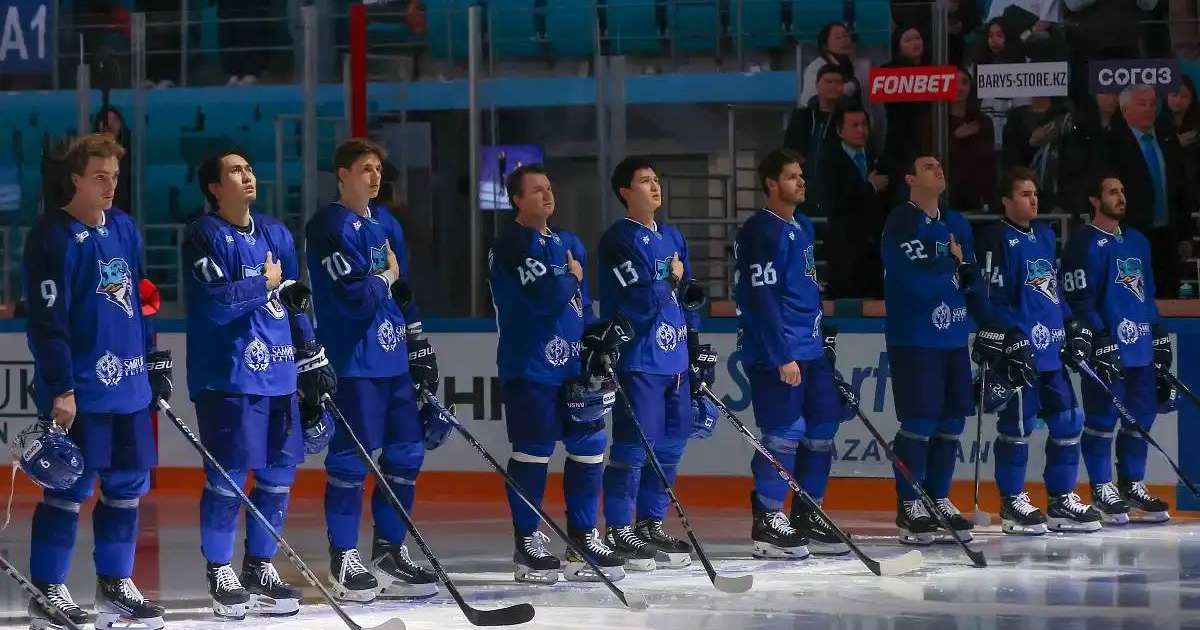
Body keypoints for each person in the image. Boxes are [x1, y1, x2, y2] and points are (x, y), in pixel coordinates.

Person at [23, 133, 171, 629]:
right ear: (75, 180)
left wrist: (154, 364)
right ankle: (47, 592)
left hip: (130, 387)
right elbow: (48, 321)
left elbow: (142, 298)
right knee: (69, 486)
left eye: (115, 177)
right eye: (100, 177)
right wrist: (62, 387)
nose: (110, 186)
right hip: (83, 389)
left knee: (127, 486)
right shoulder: (52, 237)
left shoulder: (125, 229)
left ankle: (115, 586)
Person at [185, 149, 335, 619]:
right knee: (228, 477)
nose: (247, 176)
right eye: (234, 171)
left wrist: (311, 354)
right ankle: (220, 569)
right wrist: (264, 284)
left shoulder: (276, 233)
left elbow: (292, 297)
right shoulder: (203, 235)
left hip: (280, 373)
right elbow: (215, 302)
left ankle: (260, 566)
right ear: (214, 186)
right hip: (229, 376)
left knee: (278, 477)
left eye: (249, 169)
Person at [305, 138, 441, 602]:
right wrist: (382, 277)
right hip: (352, 362)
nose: (375, 176)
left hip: (393, 360)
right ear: (342, 174)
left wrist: (418, 343)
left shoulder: (387, 225)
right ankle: (344, 559)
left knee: (406, 455)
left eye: (378, 168)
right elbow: (356, 297)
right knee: (350, 461)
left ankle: (390, 551)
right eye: (366, 168)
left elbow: (403, 291)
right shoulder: (328, 224)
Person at [487, 164, 625, 584]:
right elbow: (547, 296)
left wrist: (595, 344)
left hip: (572, 368)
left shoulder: (569, 244)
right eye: (536, 191)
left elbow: (578, 304)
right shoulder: (509, 244)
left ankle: (583, 538)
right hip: (530, 367)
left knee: (590, 446)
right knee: (534, 451)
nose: (547, 196)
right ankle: (527, 542)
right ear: (516, 199)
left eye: (549, 188)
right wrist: (569, 275)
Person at [733, 148, 849, 558]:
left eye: (802, 175)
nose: (801, 182)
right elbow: (760, 297)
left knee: (822, 430)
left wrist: (822, 343)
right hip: (776, 351)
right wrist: (782, 354)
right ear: (771, 183)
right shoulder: (758, 232)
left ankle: (807, 511)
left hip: (811, 349)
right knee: (784, 434)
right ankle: (767, 518)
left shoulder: (802, 228)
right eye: (791, 176)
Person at [973, 167, 1102, 535]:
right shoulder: (995, 238)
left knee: (1069, 420)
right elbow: (990, 297)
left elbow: (1052, 290)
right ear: (1006, 201)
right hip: (1021, 350)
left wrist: (1072, 325)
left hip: (1052, 350)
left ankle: (1061, 498)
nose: (1033, 200)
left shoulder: (1045, 235)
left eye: (1035, 194)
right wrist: (1008, 337)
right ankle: (1013, 501)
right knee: (1017, 426)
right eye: (1024, 194)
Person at [598, 157, 708, 571]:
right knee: (633, 446)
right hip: (639, 359)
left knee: (672, 444)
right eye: (645, 181)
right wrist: (672, 280)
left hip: (675, 359)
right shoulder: (618, 241)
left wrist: (695, 346)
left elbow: (689, 297)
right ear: (625, 191)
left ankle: (651, 521)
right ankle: (620, 526)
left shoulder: (674, 236)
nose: (655, 186)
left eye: (657, 180)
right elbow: (640, 301)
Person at [880, 155, 985, 545]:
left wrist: (988, 324)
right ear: (910, 178)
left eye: (941, 165)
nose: (938, 169)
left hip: (954, 337)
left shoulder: (956, 223)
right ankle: (911, 505)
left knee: (952, 422)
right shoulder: (901, 222)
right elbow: (913, 279)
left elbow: (972, 278)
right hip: (915, 337)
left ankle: (939, 498)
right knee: (920, 423)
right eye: (927, 166)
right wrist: (951, 260)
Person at [1063, 174, 1174, 525]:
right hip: (1106, 348)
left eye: (1123, 191)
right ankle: (1101, 487)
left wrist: (1156, 332)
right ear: (1095, 200)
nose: (1121, 196)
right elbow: (1077, 297)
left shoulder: (1138, 241)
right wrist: (1097, 335)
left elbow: (1147, 292)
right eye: (1112, 191)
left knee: (1140, 419)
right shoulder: (1082, 243)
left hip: (1139, 344)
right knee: (1101, 420)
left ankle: (1132, 483)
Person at [1104, 84, 1192, 297]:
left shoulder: (1167, 138)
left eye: (1153, 104)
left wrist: (1185, 235)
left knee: (1167, 294)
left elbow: (1181, 189)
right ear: (1125, 110)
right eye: (1142, 104)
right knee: (1133, 297)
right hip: (1130, 235)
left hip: (1167, 238)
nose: (1149, 109)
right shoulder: (1111, 144)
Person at [822, 106, 890, 298]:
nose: (861, 130)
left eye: (864, 125)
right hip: (845, 251)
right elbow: (835, 200)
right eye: (854, 125)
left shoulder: (876, 158)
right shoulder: (829, 161)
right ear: (839, 130)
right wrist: (869, 187)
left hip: (876, 251)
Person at [784, 64, 846, 215]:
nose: (833, 86)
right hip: (803, 190)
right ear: (818, 85)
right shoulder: (801, 116)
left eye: (837, 82)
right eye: (828, 81)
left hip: (837, 191)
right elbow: (788, 152)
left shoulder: (849, 118)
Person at [881, 26, 933, 173]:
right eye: (908, 40)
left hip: (929, 139)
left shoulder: (934, 68)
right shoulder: (888, 71)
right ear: (899, 46)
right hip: (901, 144)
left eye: (917, 38)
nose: (914, 43)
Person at [948, 68, 996, 212]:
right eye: (953, 82)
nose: (959, 87)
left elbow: (989, 162)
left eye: (964, 83)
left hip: (976, 196)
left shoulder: (983, 122)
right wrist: (955, 138)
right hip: (945, 194)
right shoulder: (936, 120)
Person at [798, 22, 867, 107]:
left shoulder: (860, 66)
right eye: (838, 38)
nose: (844, 40)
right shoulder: (815, 68)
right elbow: (810, 102)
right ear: (825, 45)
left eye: (846, 36)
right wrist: (849, 87)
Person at [1159, 75, 1200, 202]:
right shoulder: (1157, 123)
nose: (1178, 100)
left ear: (1192, 99)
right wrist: (1176, 143)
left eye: (1184, 96)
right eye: (1174, 95)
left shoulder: (1197, 123)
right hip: (1167, 185)